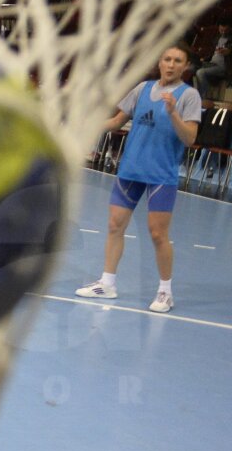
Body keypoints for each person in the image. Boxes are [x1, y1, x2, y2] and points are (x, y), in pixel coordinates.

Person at [75, 43, 200, 313]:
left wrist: (174, 114)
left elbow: (190, 138)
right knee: (114, 225)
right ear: (160, 62)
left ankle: (165, 292)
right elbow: (118, 121)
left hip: (161, 175)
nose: (171, 64)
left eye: (177, 60)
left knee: (157, 234)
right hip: (130, 170)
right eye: (167, 58)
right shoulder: (142, 89)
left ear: (185, 66)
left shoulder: (189, 96)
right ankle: (107, 284)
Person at [193, 19, 232, 99]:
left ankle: (202, 97)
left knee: (200, 72)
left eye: (225, 30)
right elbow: (213, 53)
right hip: (212, 64)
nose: (223, 32)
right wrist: (205, 59)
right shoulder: (217, 38)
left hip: (224, 67)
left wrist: (229, 53)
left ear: (229, 29)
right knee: (190, 67)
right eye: (221, 30)